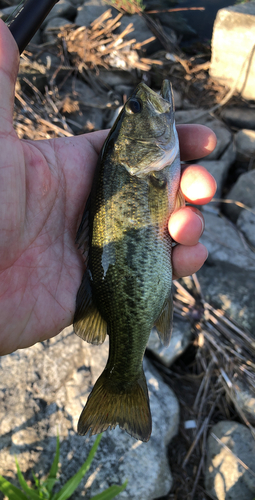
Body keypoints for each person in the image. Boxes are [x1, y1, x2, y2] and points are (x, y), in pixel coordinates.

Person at [0, 20, 217, 356]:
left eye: (134, 108)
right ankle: (125, 369)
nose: (140, 104)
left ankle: (127, 360)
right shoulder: (142, 168)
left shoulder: (143, 167)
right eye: (134, 109)